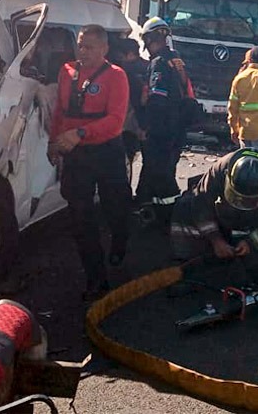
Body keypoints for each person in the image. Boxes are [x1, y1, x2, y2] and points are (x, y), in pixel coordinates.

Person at [48, 24, 132, 300]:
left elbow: (116, 121)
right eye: (80, 46)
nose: (83, 52)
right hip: (77, 154)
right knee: (80, 215)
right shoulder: (66, 71)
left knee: (115, 207)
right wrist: (54, 141)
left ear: (104, 49)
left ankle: (119, 242)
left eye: (90, 47)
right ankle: (96, 277)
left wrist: (80, 133)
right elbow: (60, 112)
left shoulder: (116, 76)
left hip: (106, 151)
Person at [170, 148, 258, 287]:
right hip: (224, 217)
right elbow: (201, 203)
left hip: (254, 223)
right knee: (184, 206)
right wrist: (215, 239)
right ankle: (189, 257)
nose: (241, 203)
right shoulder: (220, 168)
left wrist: (251, 242)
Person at [136, 17, 189, 207]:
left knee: (159, 173)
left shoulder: (158, 63)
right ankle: (149, 207)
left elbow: (157, 101)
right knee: (161, 171)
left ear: (149, 39)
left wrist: (145, 127)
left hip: (161, 130)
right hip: (177, 127)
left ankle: (166, 212)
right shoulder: (176, 61)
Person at [110, 38, 149, 179]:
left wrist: (140, 127)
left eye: (121, 56)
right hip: (143, 125)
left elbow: (136, 102)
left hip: (130, 125)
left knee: (122, 164)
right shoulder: (149, 67)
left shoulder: (128, 72)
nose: (119, 59)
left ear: (130, 54)